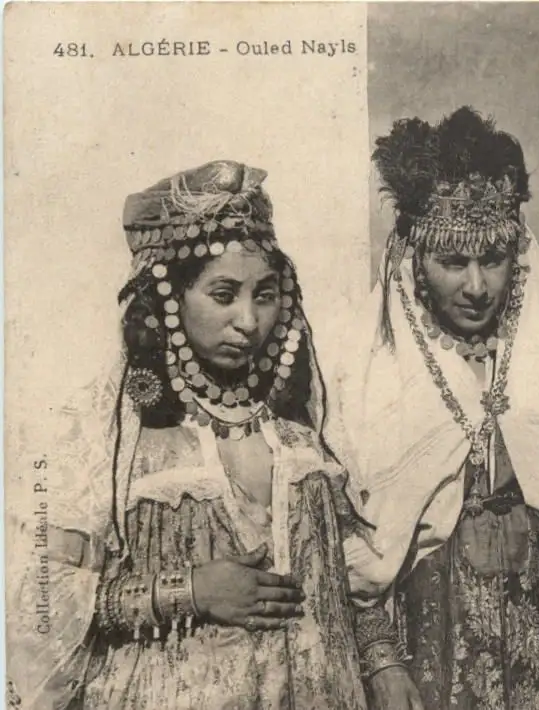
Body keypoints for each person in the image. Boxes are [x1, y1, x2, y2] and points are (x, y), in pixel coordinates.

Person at [7, 161, 377, 708]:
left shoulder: (301, 434)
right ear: (168, 298)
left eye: (265, 295)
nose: (248, 321)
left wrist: (385, 662)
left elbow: (350, 574)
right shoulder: (108, 434)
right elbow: (37, 601)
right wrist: (191, 592)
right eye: (224, 294)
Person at [326, 107, 539, 710]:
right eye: (454, 262)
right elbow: (350, 549)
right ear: (414, 258)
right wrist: (381, 661)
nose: (477, 287)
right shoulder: (373, 377)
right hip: (427, 661)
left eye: (493, 259)